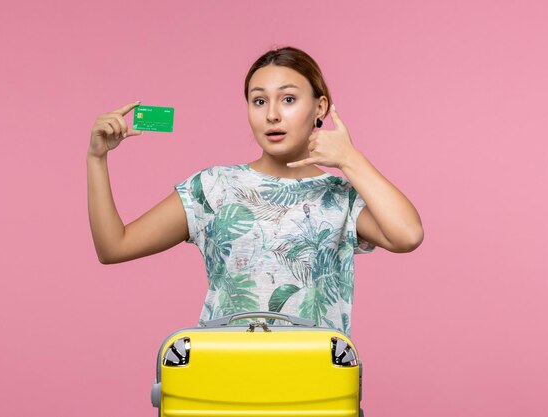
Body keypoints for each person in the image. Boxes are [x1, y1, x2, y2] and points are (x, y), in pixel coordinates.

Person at [87, 46, 423, 336]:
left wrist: (350, 159)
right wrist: (96, 158)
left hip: (314, 383)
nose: (272, 115)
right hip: (225, 379)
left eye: (288, 99)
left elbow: (407, 235)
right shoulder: (215, 187)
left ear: (320, 108)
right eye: (259, 101)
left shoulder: (340, 196)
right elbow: (114, 247)